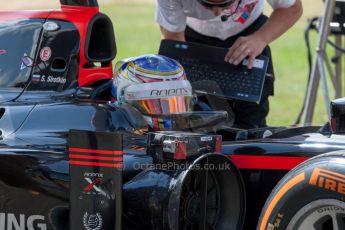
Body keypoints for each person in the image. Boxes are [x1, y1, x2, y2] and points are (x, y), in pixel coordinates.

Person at [155, 0, 303, 129]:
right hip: (192, 38)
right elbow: (174, 38)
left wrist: (260, 38)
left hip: (250, 33)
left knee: (250, 123)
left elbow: (292, 7)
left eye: (226, 3)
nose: (217, 12)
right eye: (206, 3)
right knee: (196, 119)